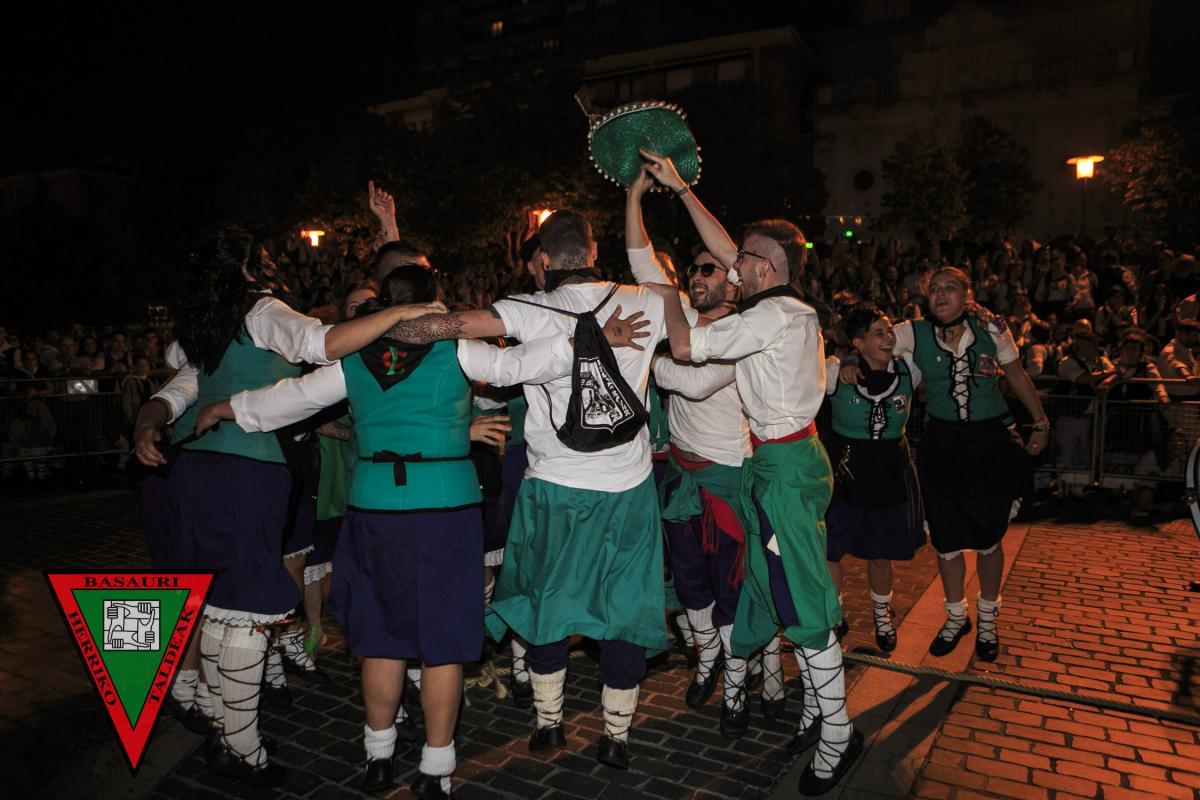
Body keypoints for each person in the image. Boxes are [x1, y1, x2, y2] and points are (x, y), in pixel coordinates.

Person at [198, 263, 646, 795]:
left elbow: (289, 399)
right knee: (442, 642)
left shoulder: (354, 357)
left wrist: (223, 407)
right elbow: (519, 365)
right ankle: (436, 766)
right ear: (432, 304)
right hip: (445, 512)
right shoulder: (456, 349)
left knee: (381, 639)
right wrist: (594, 338)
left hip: (375, 508)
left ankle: (379, 756)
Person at [131, 226, 437, 788]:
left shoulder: (207, 323)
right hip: (247, 470)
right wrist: (398, 313)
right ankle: (242, 749)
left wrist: (147, 421)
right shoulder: (261, 310)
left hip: (195, 469)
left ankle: (228, 731)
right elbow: (321, 344)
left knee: (219, 605)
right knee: (244, 607)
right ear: (252, 268)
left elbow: (182, 380)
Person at [382, 210, 669, 771]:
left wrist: (399, 313)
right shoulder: (646, 301)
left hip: (553, 487)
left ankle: (548, 723)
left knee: (544, 604)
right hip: (630, 487)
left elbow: (448, 339)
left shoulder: (522, 307)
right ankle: (616, 735)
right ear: (593, 250)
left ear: (543, 259)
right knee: (626, 609)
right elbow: (691, 337)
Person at [640, 148, 860, 796]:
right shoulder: (787, 308)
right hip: (780, 461)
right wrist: (682, 189)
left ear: (765, 267)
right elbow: (727, 246)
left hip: (784, 467)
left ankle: (839, 733)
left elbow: (684, 345)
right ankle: (816, 708)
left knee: (802, 600)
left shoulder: (768, 316)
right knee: (780, 588)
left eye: (743, 260)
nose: (732, 264)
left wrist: (666, 298)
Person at [625, 169, 785, 738]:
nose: (695, 275)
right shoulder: (689, 322)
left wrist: (651, 364)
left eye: (708, 269)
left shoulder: (747, 331)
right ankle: (711, 659)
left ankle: (738, 687)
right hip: (682, 476)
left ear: (734, 284)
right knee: (691, 582)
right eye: (692, 269)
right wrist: (634, 196)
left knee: (734, 588)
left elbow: (692, 384)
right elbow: (645, 268)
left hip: (728, 481)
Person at [843, 267, 1049, 664]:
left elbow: (1016, 373)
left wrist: (1040, 421)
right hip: (942, 443)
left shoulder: (993, 330)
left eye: (950, 287)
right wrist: (851, 356)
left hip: (988, 442)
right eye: (934, 288)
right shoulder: (913, 332)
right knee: (947, 538)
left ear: (967, 295)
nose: (940, 294)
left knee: (989, 537)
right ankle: (957, 616)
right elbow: (875, 341)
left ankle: (987, 619)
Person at [823, 304, 926, 654]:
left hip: (890, 471)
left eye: (888, 331)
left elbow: (924, 332)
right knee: (830, 549)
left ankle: (882, 615)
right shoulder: (834, 371)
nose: (888, 338)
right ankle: (835, 616)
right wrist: (846, 360)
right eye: (878, 333)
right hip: (846, 471)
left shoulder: (909, 368)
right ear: (858, 341)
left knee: (882, 555)